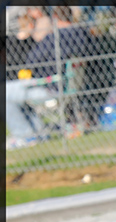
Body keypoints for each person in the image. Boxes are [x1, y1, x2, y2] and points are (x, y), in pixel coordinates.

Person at [5, 6, 91, 148]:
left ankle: (24, 135)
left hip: (50, 88)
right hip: (62, 85)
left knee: (5, 92)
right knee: (11, 94)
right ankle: (37, 133)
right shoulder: (80, 34)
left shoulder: (52, 39)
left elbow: (30, 63)